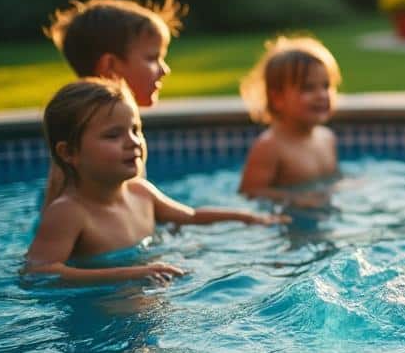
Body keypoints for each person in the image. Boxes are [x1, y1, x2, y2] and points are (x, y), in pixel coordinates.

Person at [26, 78, 284, 285]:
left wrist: (248, 218)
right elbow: (40, 272)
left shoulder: (141, 192)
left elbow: (192, 216)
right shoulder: (69, 212)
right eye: (113, 135)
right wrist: (128, 274)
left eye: (136, 130)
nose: (133, 141)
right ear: (69, 153)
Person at [40, 0, 183, 206]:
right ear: (110, 67)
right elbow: (57, 220)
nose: (165, 70)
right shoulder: (81, 151)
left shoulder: (114, 136)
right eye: (152, 58)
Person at [238, 36, 341, 204]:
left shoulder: (327, 138)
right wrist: (293, 198)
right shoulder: (270, 146)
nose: (321, 95)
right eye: (308, 88)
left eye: (326, 86)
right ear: (277, 98)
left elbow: (333, 178)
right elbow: (250, 192)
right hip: (287, 224)